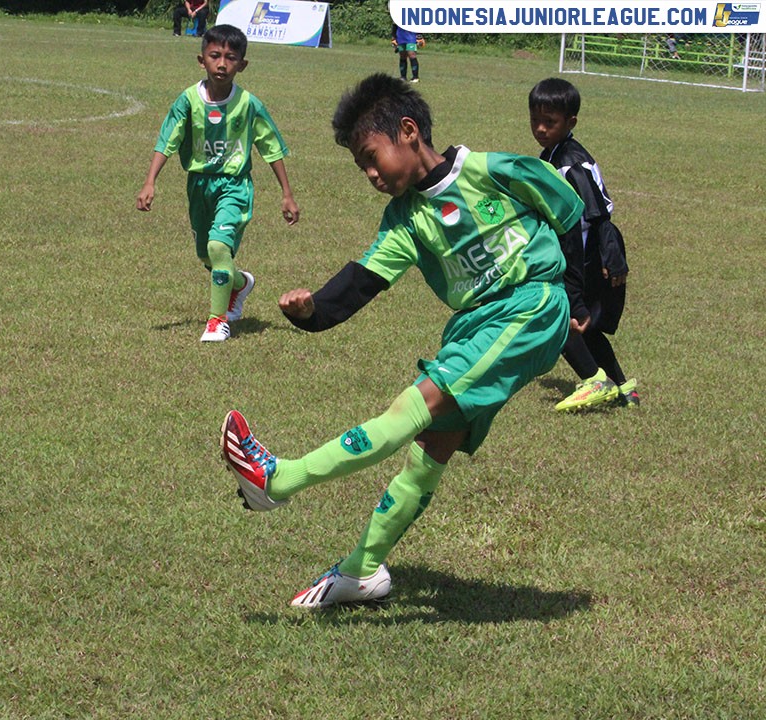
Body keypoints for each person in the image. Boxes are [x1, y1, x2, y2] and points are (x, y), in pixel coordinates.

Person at [220, 73, 585, 608]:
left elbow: (572, 213)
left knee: (410, 408)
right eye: (361, 167)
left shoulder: (491, 170)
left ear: (409, 132)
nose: (370, 175)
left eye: (372, 158)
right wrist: (312, 310)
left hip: (528, 307)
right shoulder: (405, 219)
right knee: (430, 448)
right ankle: (362, 571)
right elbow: (362, 281)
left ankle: (278, 481)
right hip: (476, 324)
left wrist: (579, 295)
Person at [137, 24, 300, 343]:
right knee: (206, 256)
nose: (222, 64)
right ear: (202, 60)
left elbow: (270, 147)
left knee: (218, 247)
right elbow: (168, 140)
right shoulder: (188, 100)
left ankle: (217, 321)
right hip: (199, 185)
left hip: (234, 186)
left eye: (231, 57)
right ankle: (239, 283)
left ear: (243, 64)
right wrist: (150, 182)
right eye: (215, 56)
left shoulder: (249, 104)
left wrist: (287, 193)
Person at [529, 77, 638, 411]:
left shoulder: (570, 164)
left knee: (558, 317)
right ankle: (623, 388)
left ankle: (595, 381)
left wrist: (606, 257)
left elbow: (593, 218)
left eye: (550, 122)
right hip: (580, 252)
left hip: (583, 255)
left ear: (571, 122)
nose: (541, 128)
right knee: (586, 327)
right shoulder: (555, 154)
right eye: (535, 120)